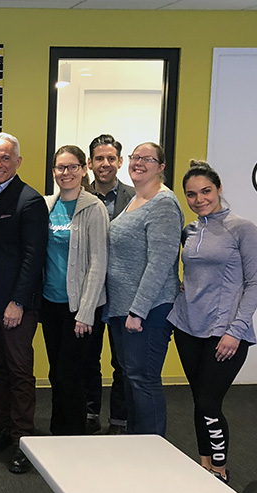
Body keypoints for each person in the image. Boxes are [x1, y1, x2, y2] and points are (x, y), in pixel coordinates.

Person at [169, 160, 257, 484]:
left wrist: (235, 331)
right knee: (199, 402)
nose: (199, 199)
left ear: (219, 188)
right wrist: (181, 288)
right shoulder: (190, 230)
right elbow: (190, 272)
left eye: (206, 191)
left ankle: (221, 470)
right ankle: (204, 464)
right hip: (187, 327)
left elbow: (255, 283)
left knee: (210, 403)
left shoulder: (243, 228)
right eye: (192, 194)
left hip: (224, 332)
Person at [0, 132, 47, 474]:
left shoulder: (29, 201)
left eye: (5, 158)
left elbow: (34, 257)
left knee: (19, 371)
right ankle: (3, 428)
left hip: (17, 303)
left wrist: (18, 301)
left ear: (17, 161)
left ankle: (23, 440)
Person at [104, 142, 183, 437]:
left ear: (161, 167)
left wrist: (138, 310)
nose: (139, 163)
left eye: (147, 159)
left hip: (148, 310)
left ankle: (153, 450)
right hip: (123, 309)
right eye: (136, 157)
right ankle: (136, 445)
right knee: (132, 378)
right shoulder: (135, 199)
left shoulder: (163, 203)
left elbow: (160, 262)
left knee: (144, 379)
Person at [40, 146, 109, 436]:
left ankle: (75, 435)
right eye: (60, 167)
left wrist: (86, 312)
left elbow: (98, 263)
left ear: (83, 169)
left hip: (79, 308)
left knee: (71, 376)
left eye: (71, 167)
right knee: (56, 373)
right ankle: (59, 432)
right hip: (50, 303)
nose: (65, 173)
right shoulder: (46, 205)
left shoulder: (93, 208)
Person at [84, 134, 135, 435]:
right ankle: (90, 413)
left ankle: (119, 419)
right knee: (88, 359)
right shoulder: (75, 194)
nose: (105, 164)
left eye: (110, 158)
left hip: (121, 292)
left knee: (122, 363)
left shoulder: (136, 197)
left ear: (119, 161)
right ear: (89, 163)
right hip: (88, 292)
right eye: (99, 159)